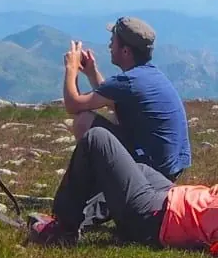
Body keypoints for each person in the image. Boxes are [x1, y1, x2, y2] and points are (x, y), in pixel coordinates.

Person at [28, 123, 218, 250]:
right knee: (141, 168)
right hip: (168, 198)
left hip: (151, 216)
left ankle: (63, 228)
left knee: (97, 139)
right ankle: (90, 217)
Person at [61, 15, 191, 181]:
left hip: (152, 171)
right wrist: (92, 73)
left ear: (125, 51)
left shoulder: (129, 81)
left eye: (113, 41)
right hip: (169, 169)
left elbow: (73, 105)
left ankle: (100, 188)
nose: (109, 45)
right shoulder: (148, 75)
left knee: (83, 121)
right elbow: (114, 101)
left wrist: (71, 68)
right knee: (118, 116)